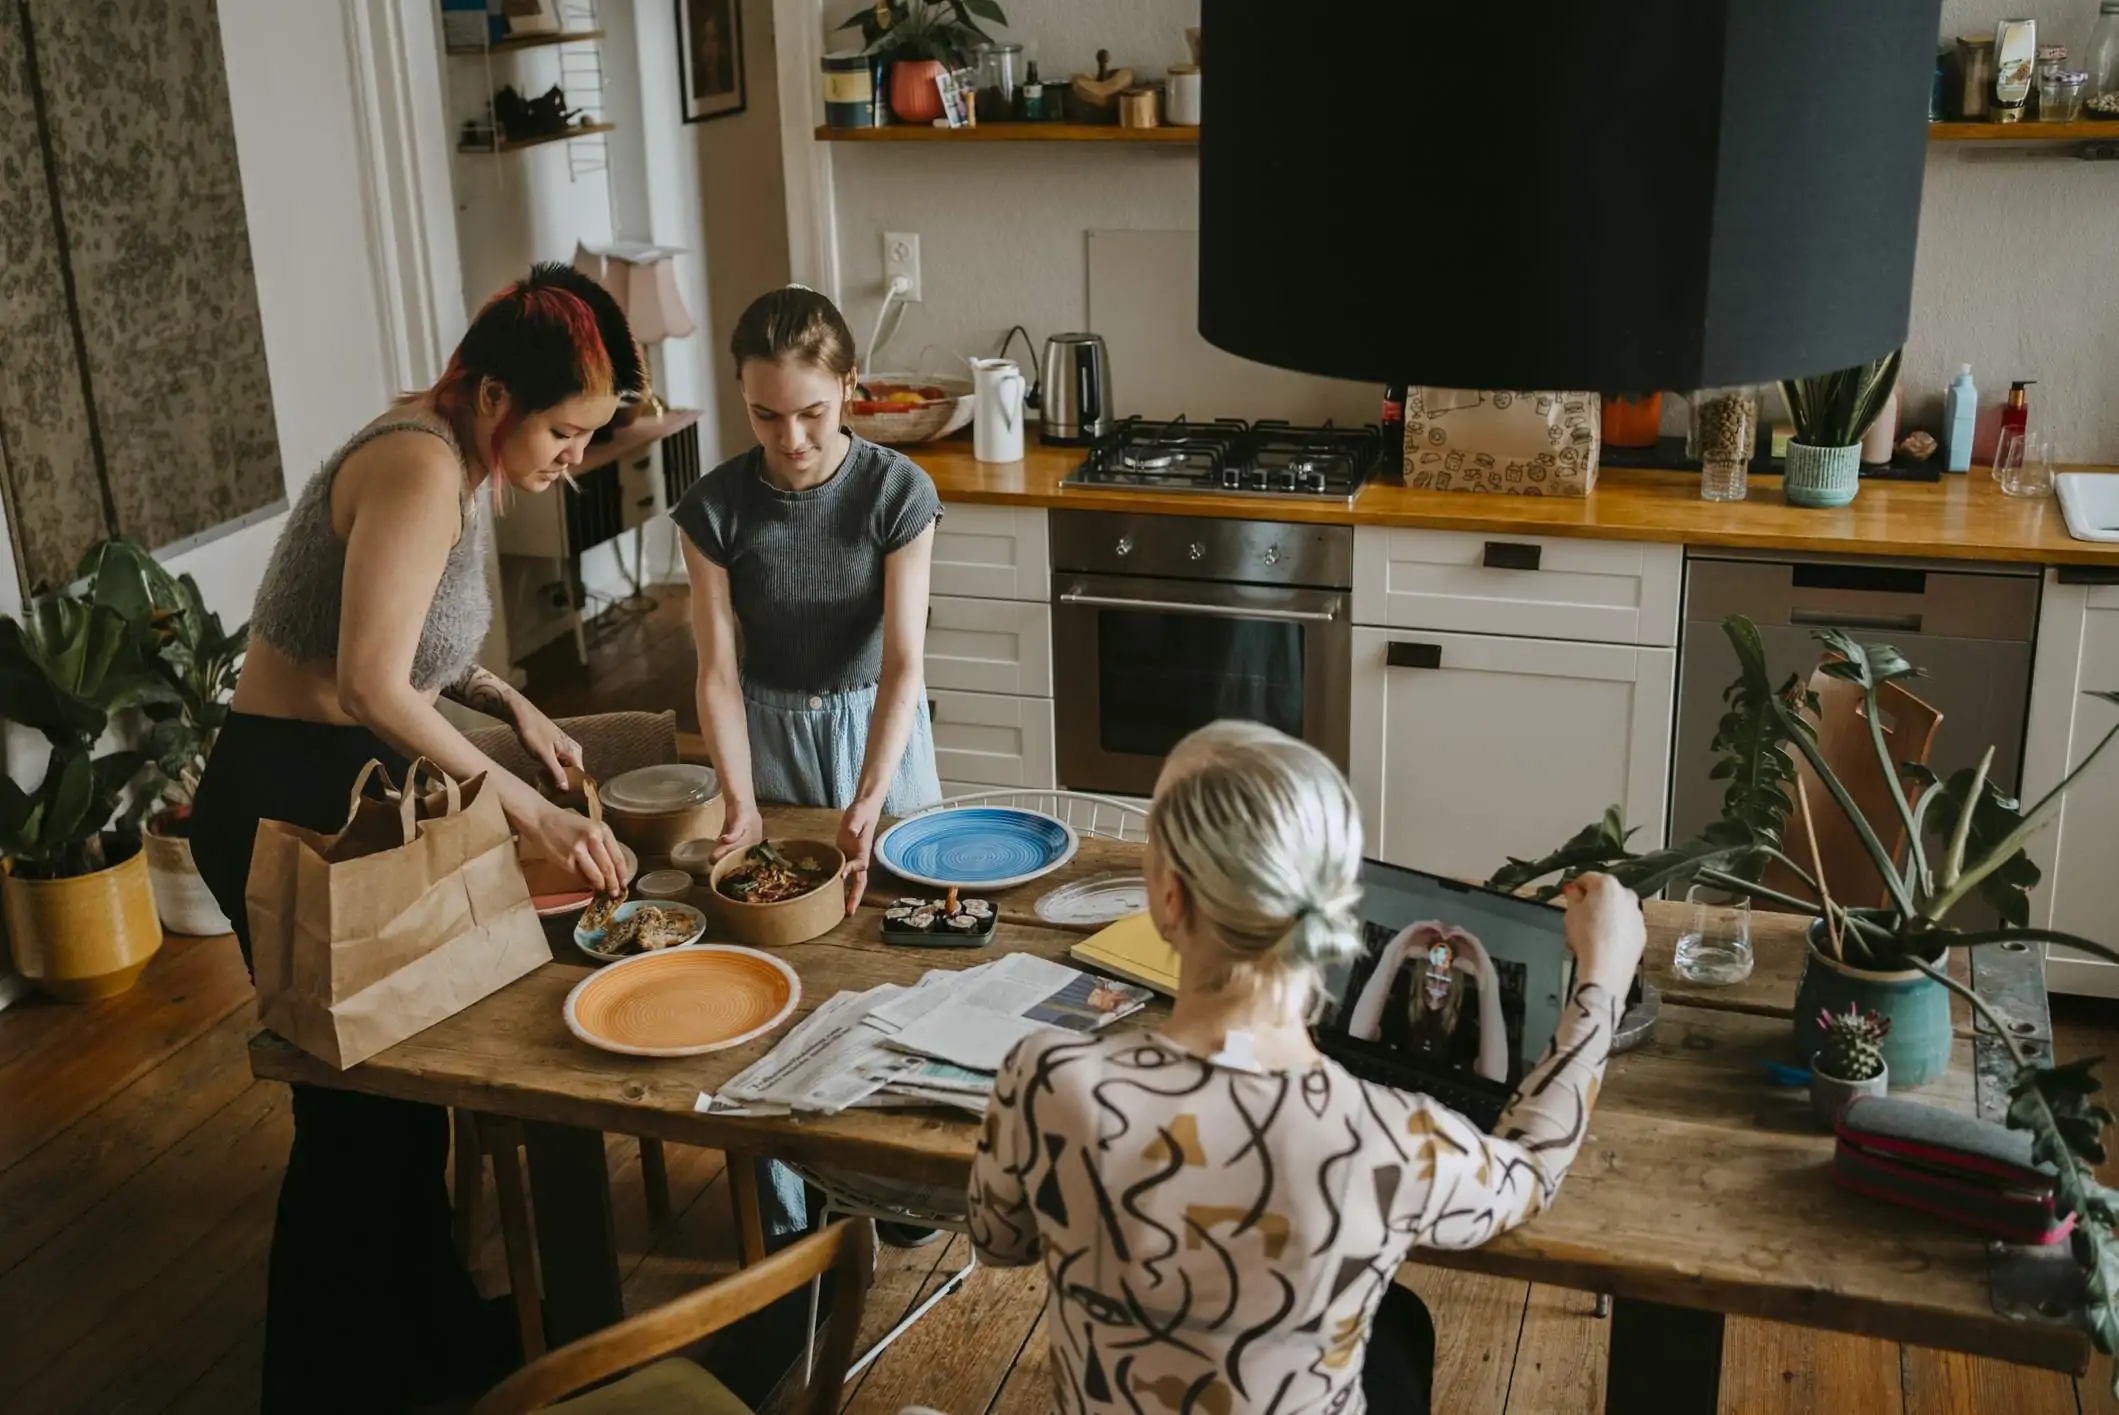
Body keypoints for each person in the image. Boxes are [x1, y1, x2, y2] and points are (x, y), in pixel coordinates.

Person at [188, 263, 643, 1413]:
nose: (571, 460)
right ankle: (321, 1384)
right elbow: (368, 682)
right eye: (562, 431)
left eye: (588, 436)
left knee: (403, 1095)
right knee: (350, 1114)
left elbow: (407, 637)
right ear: (494, 395)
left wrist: (511, 699)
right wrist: (527, 804)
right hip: (288, 796)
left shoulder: (453, 446)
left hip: (341, 780)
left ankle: (423, 1345)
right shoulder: (417, 465)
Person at [966, 721, 1645, 1415]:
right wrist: (1602, 979)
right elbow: (1530, 1172)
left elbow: (999, 1242)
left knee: (1398, 1323)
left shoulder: (1047, 1077)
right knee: (1398, 1323)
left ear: (1168, 901)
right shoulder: (1393, 1141)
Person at [669, 285, 943, 1253]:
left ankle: (898, 1180)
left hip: (882, 734)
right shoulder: (712, 507)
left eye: (813, 413)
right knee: (777, 968)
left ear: (849, 389)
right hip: (767, 738)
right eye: (766, 414)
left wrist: (869, 798)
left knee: (895, 961)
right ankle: (788, 1207)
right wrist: (738, 802)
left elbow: (905, 659)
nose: (790, 439)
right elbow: (715, 667)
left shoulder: (894, 492)